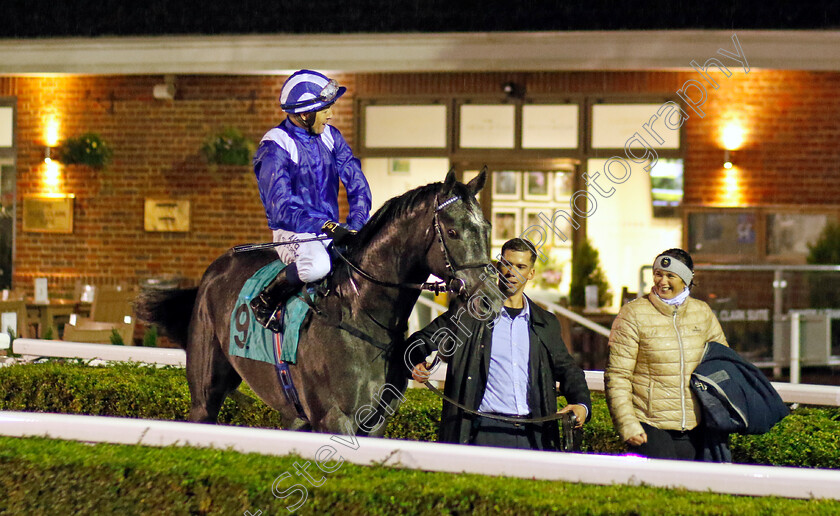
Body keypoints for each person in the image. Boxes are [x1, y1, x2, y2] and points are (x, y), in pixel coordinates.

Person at [409, 238, 591, 450]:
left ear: (531, 273)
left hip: (533, 435)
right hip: (482, 432)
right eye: (507, 264)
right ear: (498, 267)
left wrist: (581, 405)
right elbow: (419, 341)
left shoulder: (546, 323)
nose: (512, 272)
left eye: (521, 266)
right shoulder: (469, 315)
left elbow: (569, 371)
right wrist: (415, 362)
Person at [250, 69, 372, 332]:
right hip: (292, 232)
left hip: (329, 227)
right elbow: (281, 208)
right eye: (325, 109)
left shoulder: (331, 136)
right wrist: (326, 226)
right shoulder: (275, 147)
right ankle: (266, 300)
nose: (331, 114)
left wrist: (357, 223)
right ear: (305, 115)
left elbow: (356, 181)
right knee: (317, 267)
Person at [604, 248, 728, 460]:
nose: (662, 281)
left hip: (697, 426)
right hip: (650, 426)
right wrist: (628, 424)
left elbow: (722, 364)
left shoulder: (703, 313)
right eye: (658, 274)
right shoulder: (632, 314)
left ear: (686, 280)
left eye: (671, 275)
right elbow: (618, 375)